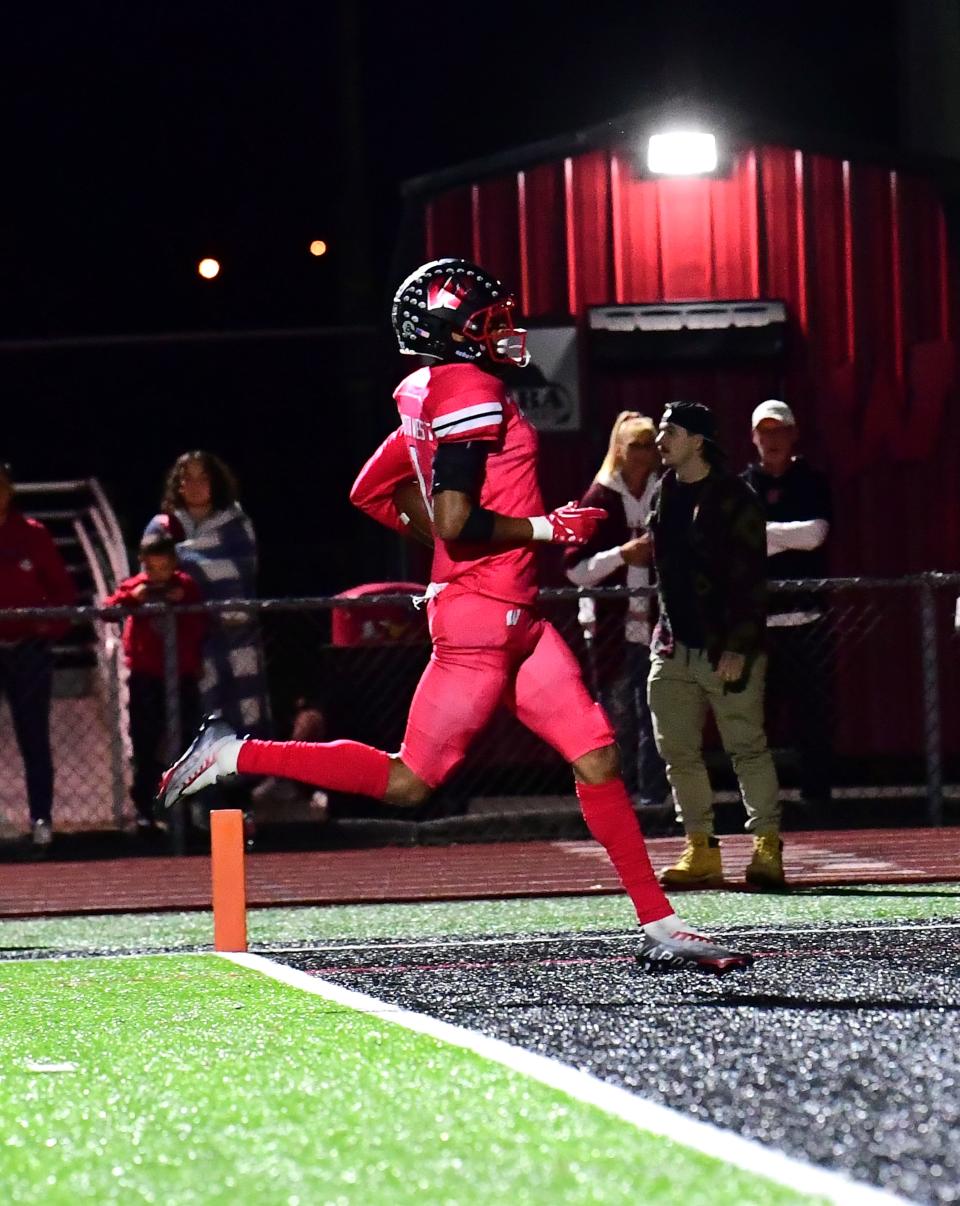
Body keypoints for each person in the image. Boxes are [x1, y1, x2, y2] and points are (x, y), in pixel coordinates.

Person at [158, 257, 754, 974]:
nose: (504, 330)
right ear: (452, 331)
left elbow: (371, 492)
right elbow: (454, 515)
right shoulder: (467, 385)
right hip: (479, 622)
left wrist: (451, 544)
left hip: (515, 617)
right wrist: (543, 529)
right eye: (487, 321)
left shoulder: (427, 389)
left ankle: (659, 923)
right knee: (411, 780)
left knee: (596, 753)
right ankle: (234, 752)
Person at [647, 402, 785, 890]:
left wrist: (739, 645)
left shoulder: (735, 497)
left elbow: (751, 578)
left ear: (698, 441)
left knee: (746, 746)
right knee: (678, 752)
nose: (660, 439)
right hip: (672, 645)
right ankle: (700, 847)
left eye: (671, 431)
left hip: (724, 646)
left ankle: (766, 845)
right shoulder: (663, 492)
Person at [564, 411, 670, 810]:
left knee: (656, 712)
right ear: (620, 451)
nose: (644, 454)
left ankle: (654, 796)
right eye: (636, 446)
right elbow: (576, 569)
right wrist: (622, 555)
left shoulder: (666, 492)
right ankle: (615, 798)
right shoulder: (599, 499)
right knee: (614, 716)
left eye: (649, 445)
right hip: (611, 627)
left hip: (658, 624)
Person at [741, 400, 833, 816]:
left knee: (812, 713)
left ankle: (816, 796)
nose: (772, 440)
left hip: (807, 622)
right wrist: (780, 536)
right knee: (753, 717)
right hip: (756, 624)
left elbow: (815, 534)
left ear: (793, 435)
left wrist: (763, 534)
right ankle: (760, 801)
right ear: (754, 438)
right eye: (765, 432)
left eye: (780, 432)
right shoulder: (740, 486)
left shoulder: (812, 481)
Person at [143, 451, 269, 738]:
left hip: (236, 636)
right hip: (185, 641)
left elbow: (241, 570)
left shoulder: (236, 524)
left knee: (244, 714)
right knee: (194, 720)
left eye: (204, 478)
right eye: (189, 479)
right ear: (179, 485)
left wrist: (185, 562)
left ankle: (246, 778)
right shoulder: (162, 528)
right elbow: (152, 578)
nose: (196, 485)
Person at [103, 533, 206, 831]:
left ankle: (184, 809)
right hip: (146, 677)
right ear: (143, 564)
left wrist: (182, 599)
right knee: (145, 741)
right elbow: (108, 610)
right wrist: (131, 599)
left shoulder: (186, 587)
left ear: (174, 564)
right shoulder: (135, 587)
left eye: (165, 567)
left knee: (186, 742)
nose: (159, 575)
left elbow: (201, 623)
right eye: (153, 568)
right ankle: (145, 809)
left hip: (181, 675)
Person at [0, 461, 76, 848]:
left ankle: (41, 819)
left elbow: (63, 593)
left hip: (28, 652)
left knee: (34, 737)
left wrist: (47, 629)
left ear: (9, 490)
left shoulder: (33, 535)